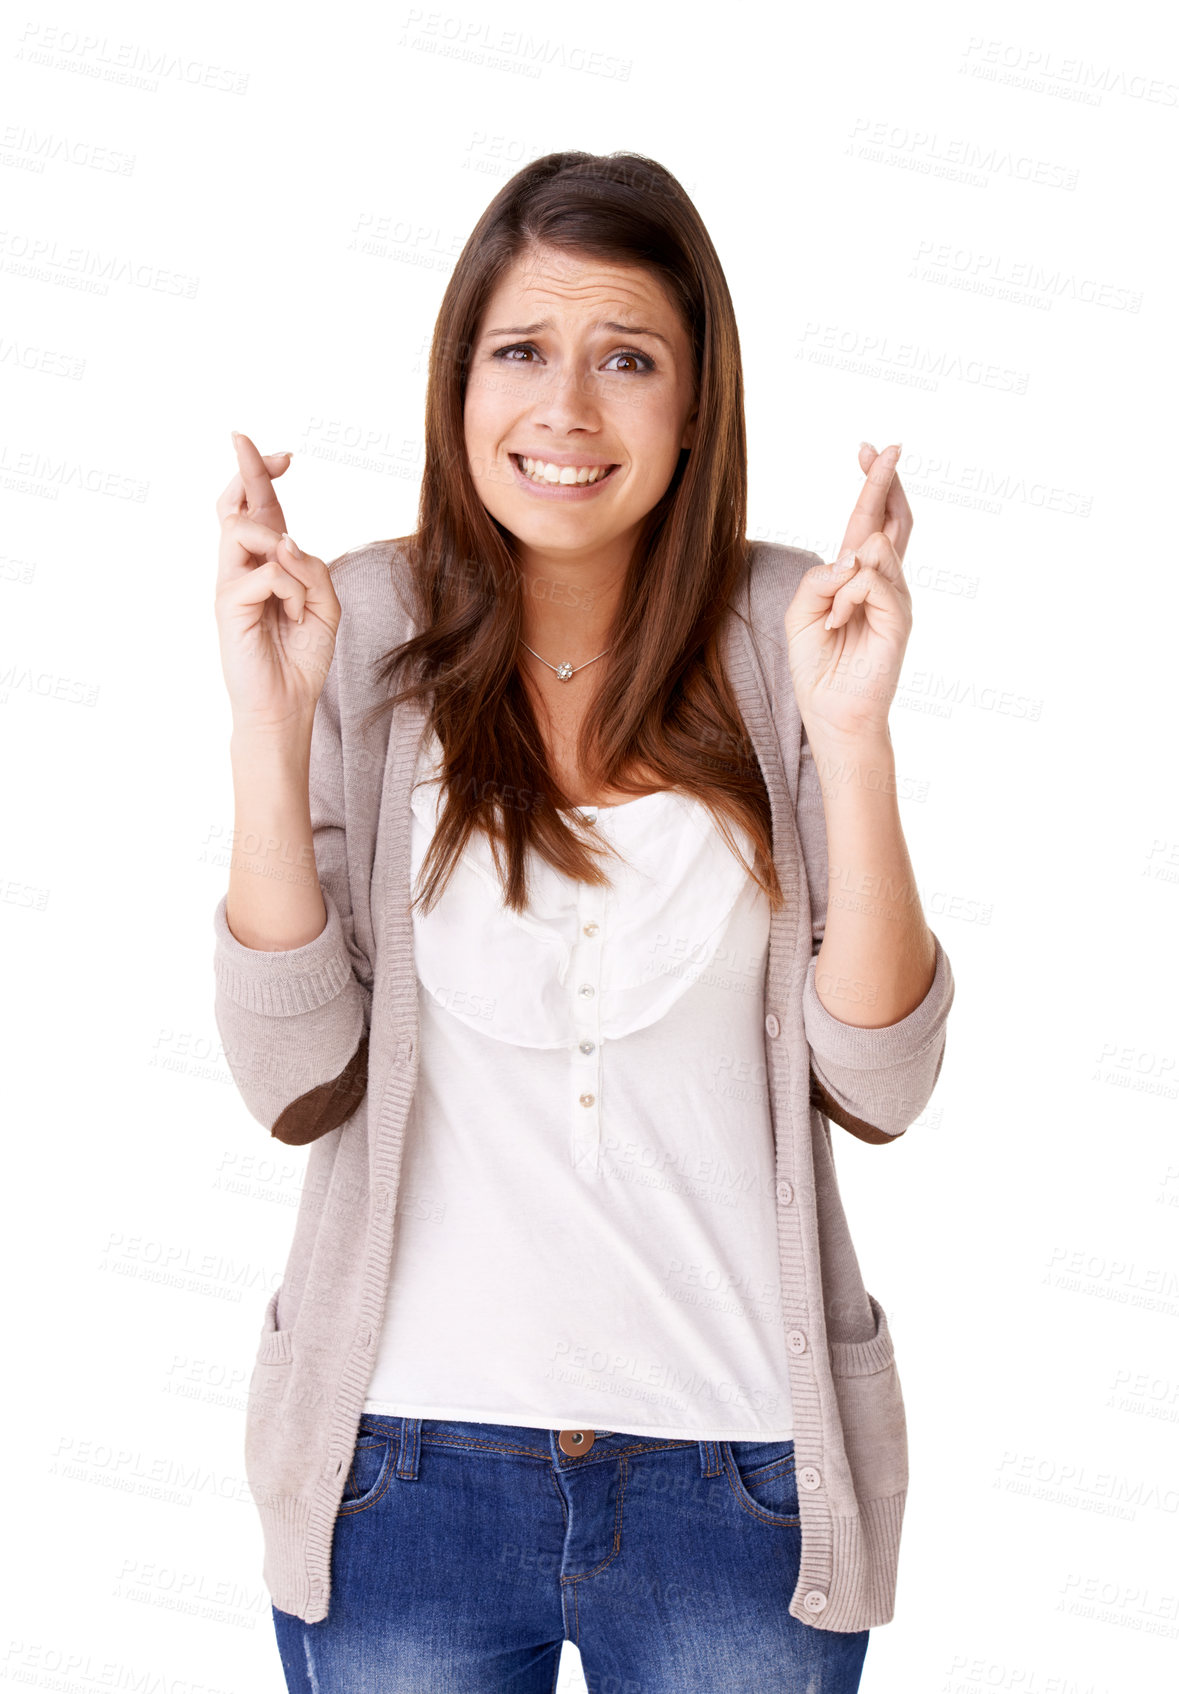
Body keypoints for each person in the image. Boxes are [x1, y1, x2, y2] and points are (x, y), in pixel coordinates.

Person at [212, 150, 954, 1694]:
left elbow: (879, 1082)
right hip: (400, 1464)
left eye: (627, 359)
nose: (567, 409)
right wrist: (268, 733)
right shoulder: (359, 626)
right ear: (458, 386)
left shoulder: (785, 633)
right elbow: (292, 1080)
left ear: (695, 410)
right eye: (522, 353)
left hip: (739, 1475)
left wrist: (860, 736)